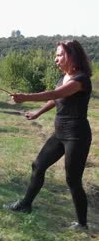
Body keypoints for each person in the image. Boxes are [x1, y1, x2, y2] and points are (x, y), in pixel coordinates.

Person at [5, 40, 92, 230]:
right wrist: (37, 113)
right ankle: (26, 204)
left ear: (72, 56)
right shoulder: (64, 78)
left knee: (73, 180)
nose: (56, 59)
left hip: (77, 136)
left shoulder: (81, 79)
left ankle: (82, 224)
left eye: (60, 55)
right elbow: (56, 98)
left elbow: (54, 93)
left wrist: (25, 97)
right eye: (56, 55)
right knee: (38, 165)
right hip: (60, 134)